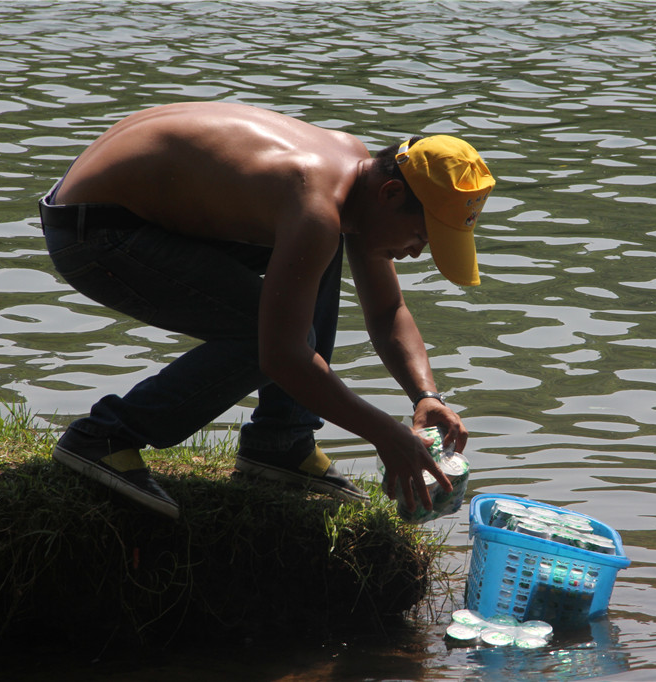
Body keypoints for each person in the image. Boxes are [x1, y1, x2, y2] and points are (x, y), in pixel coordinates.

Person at [38, 102, 495, 520]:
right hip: (93, 230)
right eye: (421, 236)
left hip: (133, 211)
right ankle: (105, 436)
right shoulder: (316, 204)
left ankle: (281, 443)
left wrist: (425, 396)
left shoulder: (355, 175)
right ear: (391, 194)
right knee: (261, 331)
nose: (417, 252)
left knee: (319, 254)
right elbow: (281, 356)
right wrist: (385, 434)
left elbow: (387, 307)